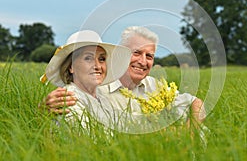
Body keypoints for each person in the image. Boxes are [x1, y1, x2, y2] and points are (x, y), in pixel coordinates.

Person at [42, 27, 206, 131]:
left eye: (149, 56)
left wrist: (190, 132)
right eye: (136, 53)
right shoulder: (98, 89)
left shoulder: (155, 86)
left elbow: (194, 102)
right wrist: (43, 108)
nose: (142, 61)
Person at [40, 30, 132, 129]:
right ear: (71, 67)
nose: (97, 66)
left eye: (101, 59)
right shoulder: (68, 100)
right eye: (88, 58)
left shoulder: (102, 97)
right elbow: (89, 142)